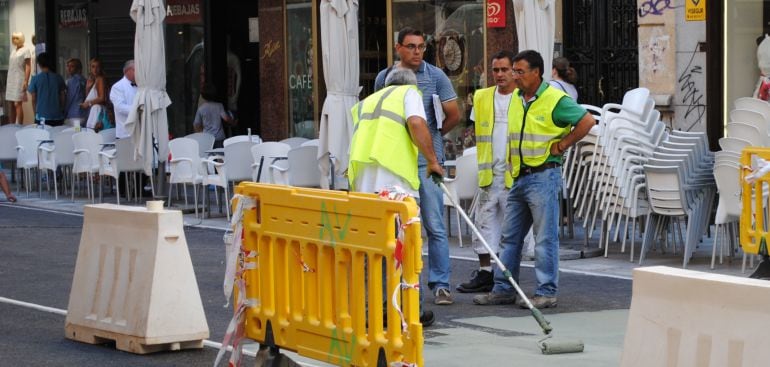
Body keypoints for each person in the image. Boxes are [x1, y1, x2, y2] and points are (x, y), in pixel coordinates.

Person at [473, 50, 595, 308]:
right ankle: (504, 288)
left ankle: (546, 291)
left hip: (543, 175)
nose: (515, 76)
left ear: (536, 72)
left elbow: (587, 121)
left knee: (544, 238)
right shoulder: (518, 98)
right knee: (510, 237)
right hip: (519, 176)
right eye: (514, 71)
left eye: (519, 72)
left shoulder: (554, 99)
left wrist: (563, 145)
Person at [349, 66, 444, 327]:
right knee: (406, 249)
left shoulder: (367, 102)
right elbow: (416, 123)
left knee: (375, 253)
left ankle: (375, 310)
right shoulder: (409, 93)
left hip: (365, 189)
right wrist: (433, 161)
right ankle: (411, 311)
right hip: (395, 188)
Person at [374, 27, 460, 306]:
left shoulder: (436, 76)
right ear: (398, 47)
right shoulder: (384, 78)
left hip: (426, 162)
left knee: (434, 224)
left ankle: (441, 284)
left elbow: (453, 114)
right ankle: (406, 284)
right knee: (401, 226)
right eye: (411, 46)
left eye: (421, 47)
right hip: (397, 163)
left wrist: (433, 138)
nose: (417, 52)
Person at [456, 50, 517, 293]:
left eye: (504, 69)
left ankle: (507, 275)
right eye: (495, 70)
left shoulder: (523, 98)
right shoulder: (482, 97)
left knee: (512, 230)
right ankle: (485, 272)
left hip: (514, 174)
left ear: (514, 71)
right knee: (483, 224)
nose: (499, 74)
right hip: (489, 174)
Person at [27, 52, 66, 126]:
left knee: (42, 133)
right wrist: (61, 109)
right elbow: (63, 96)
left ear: (39, 64)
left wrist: (35, 113)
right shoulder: (58, 78)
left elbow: (34, 99)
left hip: (41, 117)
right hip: (57, 116)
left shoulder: (35, 79)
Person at [194, 84, 234, 148]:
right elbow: (226, 119)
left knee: (208, 154)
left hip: (207, 138)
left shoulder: (201, 108)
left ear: (203, 96)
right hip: (219, 137)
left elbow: (196, 124)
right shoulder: (219, 106)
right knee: (220, 154)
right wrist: (233, 122)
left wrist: (201, 133)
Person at [6, 32, 32, 124]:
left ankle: (19, 126)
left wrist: (26, 80)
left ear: (21, 39)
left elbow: (28, 66)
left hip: (19, 78)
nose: (14, 40)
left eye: (16, 38)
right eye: (13, 38)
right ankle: (11, 125)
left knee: (17, 103)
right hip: (11, 78)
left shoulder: (26, 50)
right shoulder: (13, 51)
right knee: (11, 104)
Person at [110, 60, 137, 139]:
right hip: (125, 133)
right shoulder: (117, 87)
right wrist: (139, 109)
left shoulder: (142, 86)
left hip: (140, 133)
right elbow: (120, 107)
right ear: (127, 71)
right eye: (136, 70)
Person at [81, 57, 108, 131]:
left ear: (101, 68)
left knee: (93, 133)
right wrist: (88, 88)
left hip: (98, 109)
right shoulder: (94, 80)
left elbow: (102, 97)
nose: (95, 69)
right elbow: (88, 98)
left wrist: (88, 104)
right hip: (94, 109)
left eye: (97, 67)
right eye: (93, 67)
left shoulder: (100, 79)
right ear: (90, 68)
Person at [63, 58, 87, 126]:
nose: (69, 68)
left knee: (72, 132)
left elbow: (69, 99)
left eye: (72, 66)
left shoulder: (71, 81)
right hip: (83, 114)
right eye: (68, 66)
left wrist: (64, 113)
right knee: (79, 132)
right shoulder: (85, 80)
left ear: (78, 68)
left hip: (74, 116)